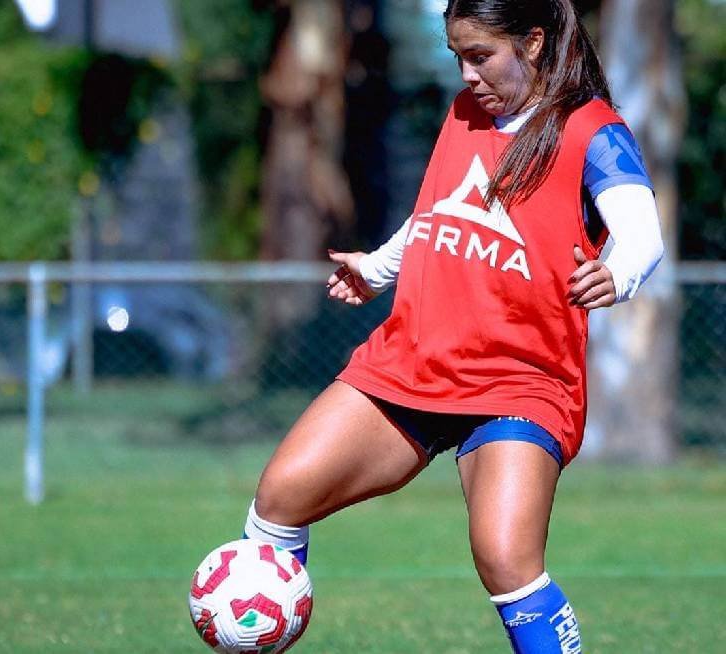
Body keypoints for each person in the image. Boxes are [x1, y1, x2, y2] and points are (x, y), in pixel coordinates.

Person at [239, 1, 665, 652]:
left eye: (479, 56)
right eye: (457, 56)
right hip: (413, 358)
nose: (466, 74)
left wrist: (619, 274)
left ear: (532, 42)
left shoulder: (590, 130)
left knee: (505, 559)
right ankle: (256, 632)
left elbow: (641, 233)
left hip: (519, 382)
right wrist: (378, 268)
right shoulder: (466, 114)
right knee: (279, 500)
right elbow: (441, 213)